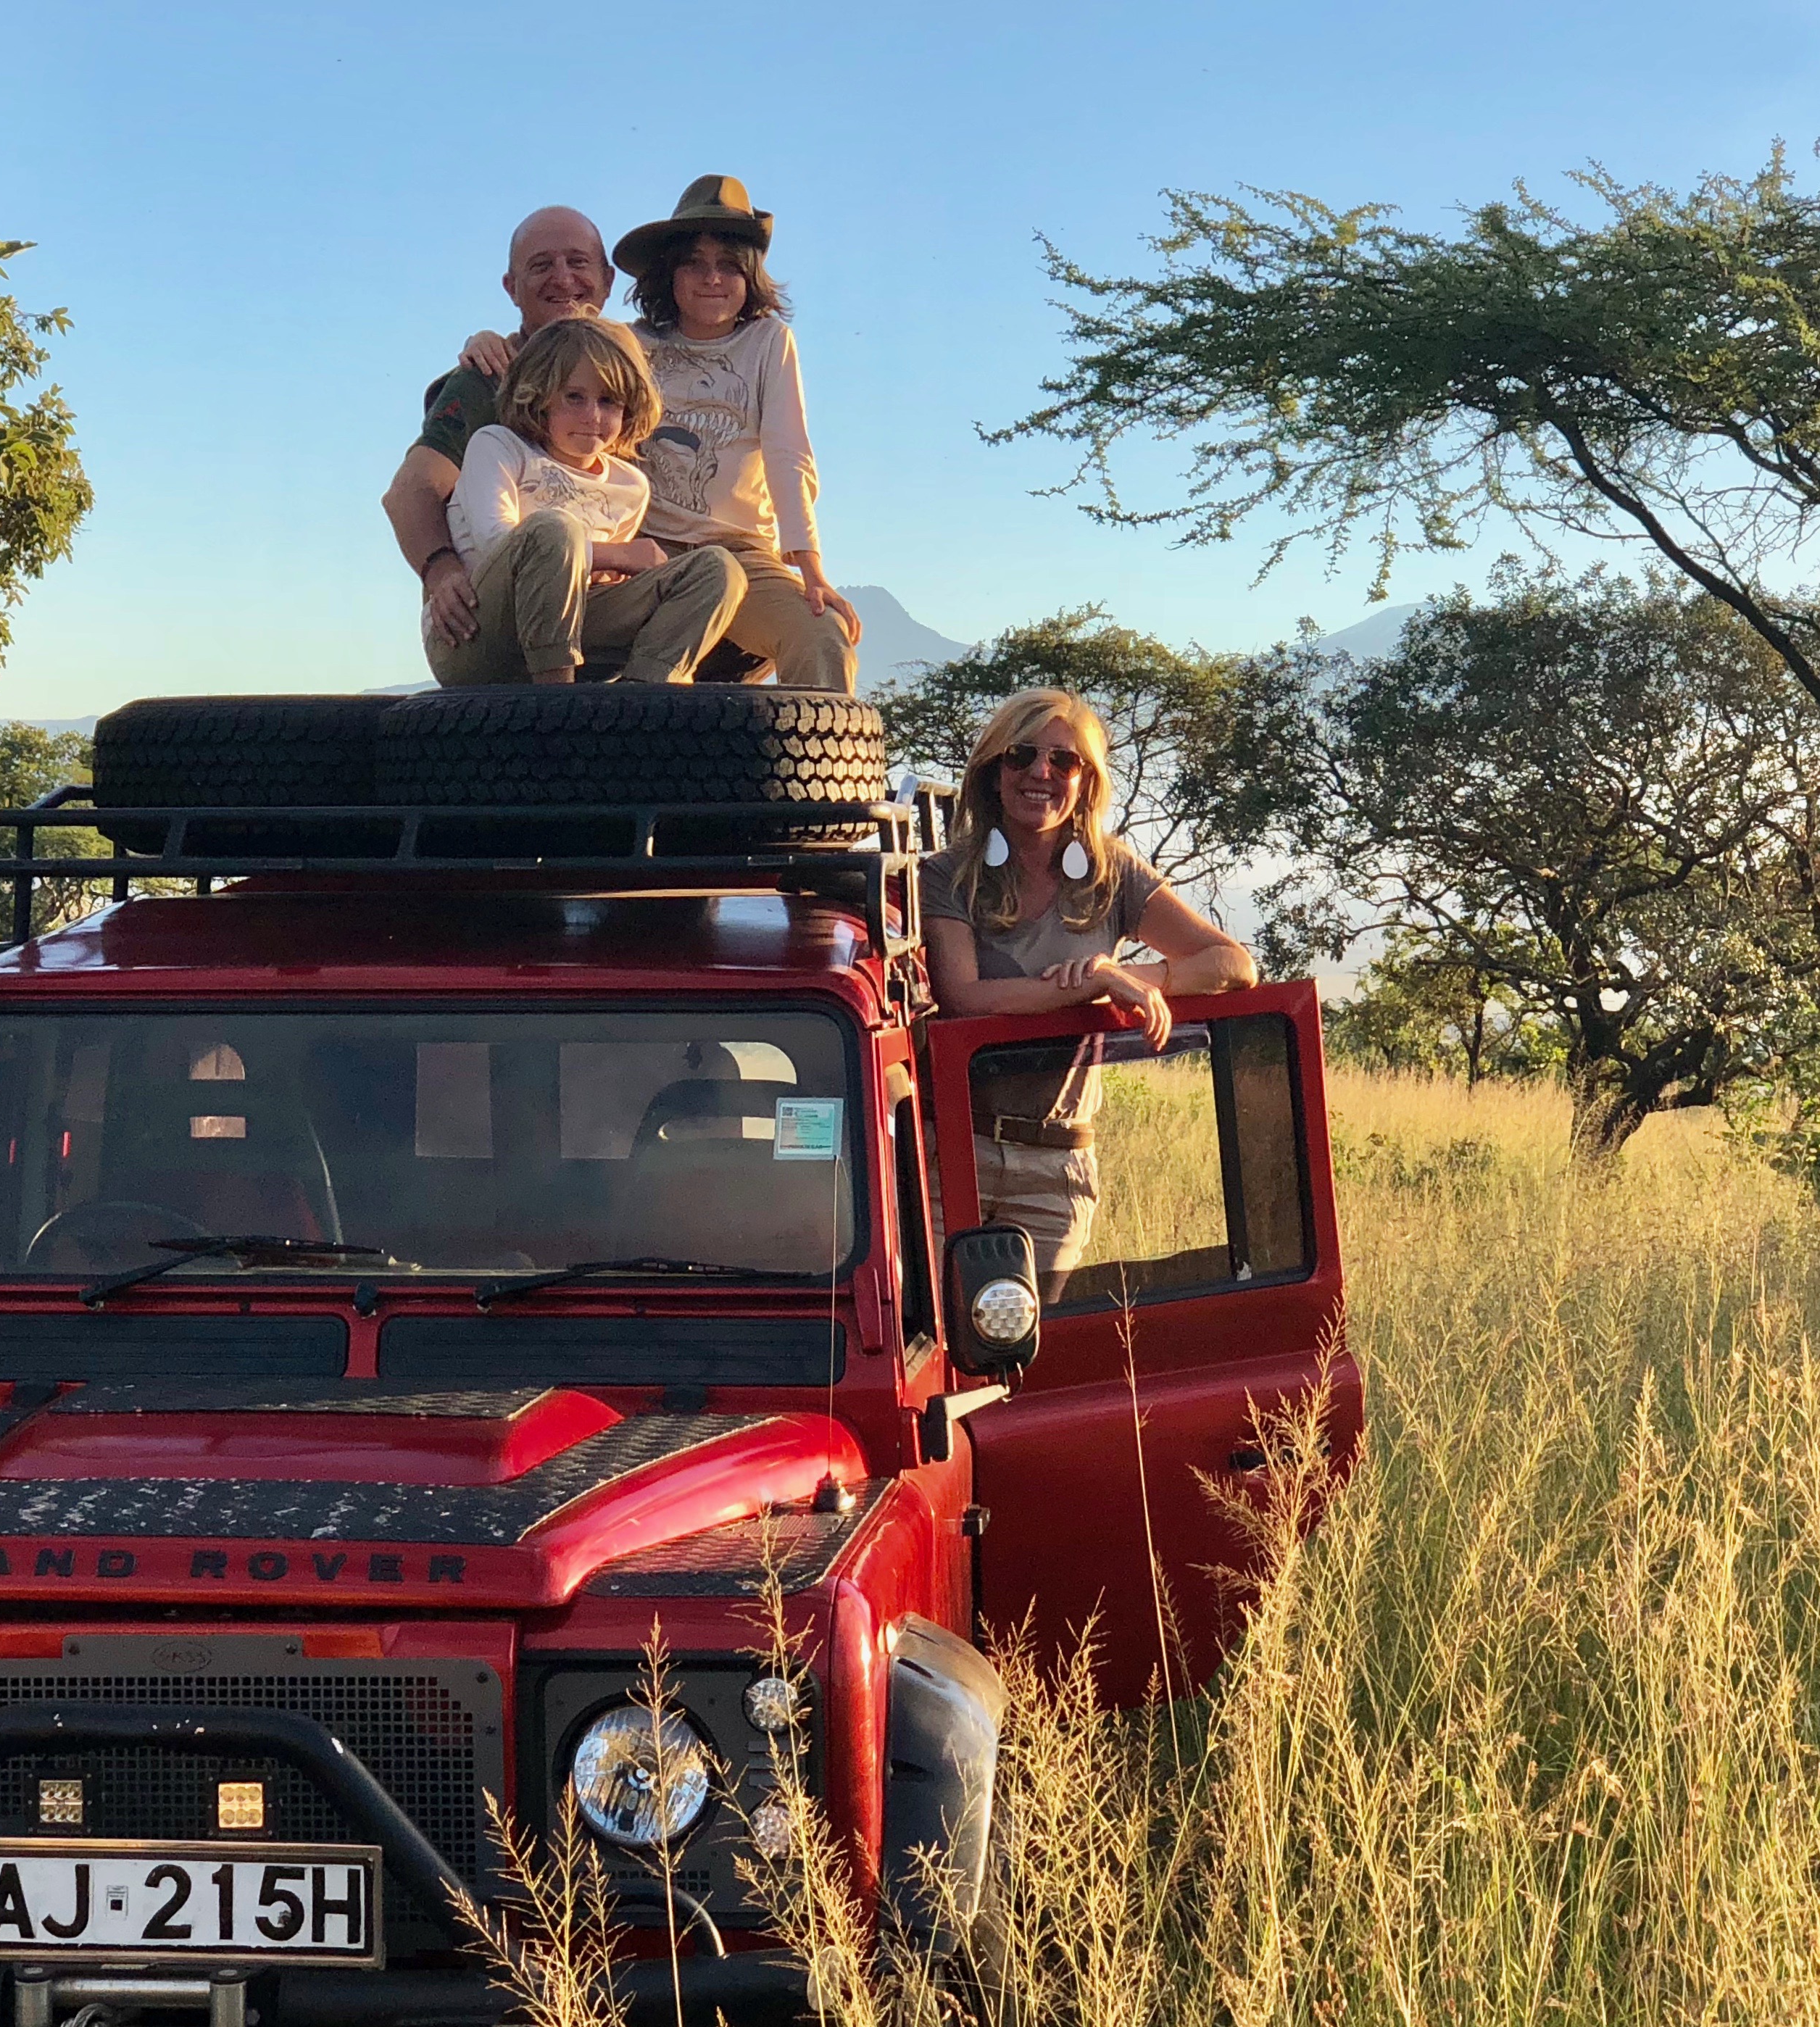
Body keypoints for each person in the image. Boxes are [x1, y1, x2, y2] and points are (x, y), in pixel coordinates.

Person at [460, 177, 860, 692]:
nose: (711, 278)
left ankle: (820, 747)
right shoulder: (631, 341)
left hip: (738, 550)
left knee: (822, 635)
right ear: (669, 272)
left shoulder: (769, 342)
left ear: (750, 275)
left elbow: (789, 455)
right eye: (694, 263)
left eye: (729, 265)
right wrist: (487, 339)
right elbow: (559, 352)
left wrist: (811, 569)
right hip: (643, 546)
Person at [922, 688, 1258, 1294]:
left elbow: (1233, 964)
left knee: (1035, 1345)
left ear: (1086, 781)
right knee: (933, 1337)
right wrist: (1096, 984)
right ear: (993, 770)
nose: (1040, 773)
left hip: (1057, 1165)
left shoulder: (1115, 874)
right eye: (1021, 755)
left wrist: (1127, 980)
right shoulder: (948, 873)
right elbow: (963, 996)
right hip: (950, 1150)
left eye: (1063, 760)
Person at [427, 317, 744, 687]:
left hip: (579, 629)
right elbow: (495, 541)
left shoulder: (630, 486)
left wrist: (609, 569)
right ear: (540, 396)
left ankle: (646, 696)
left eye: (608, 401)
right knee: (554, 528)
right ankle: (557, 696)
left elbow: (602, 581)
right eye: (574, 398)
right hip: (475, 635)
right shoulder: (498, 446)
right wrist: (616, 555)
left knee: (718, 568)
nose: (592, 417)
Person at [383, 207, 614, 657]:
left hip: (603, 610)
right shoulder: (487, 379)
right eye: (542, 266)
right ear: (512, 287)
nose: (563, 279)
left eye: (577, 262)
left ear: (607, 280)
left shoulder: (631, 374)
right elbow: (410, 491)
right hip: (500, 620)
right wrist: (442, 571)